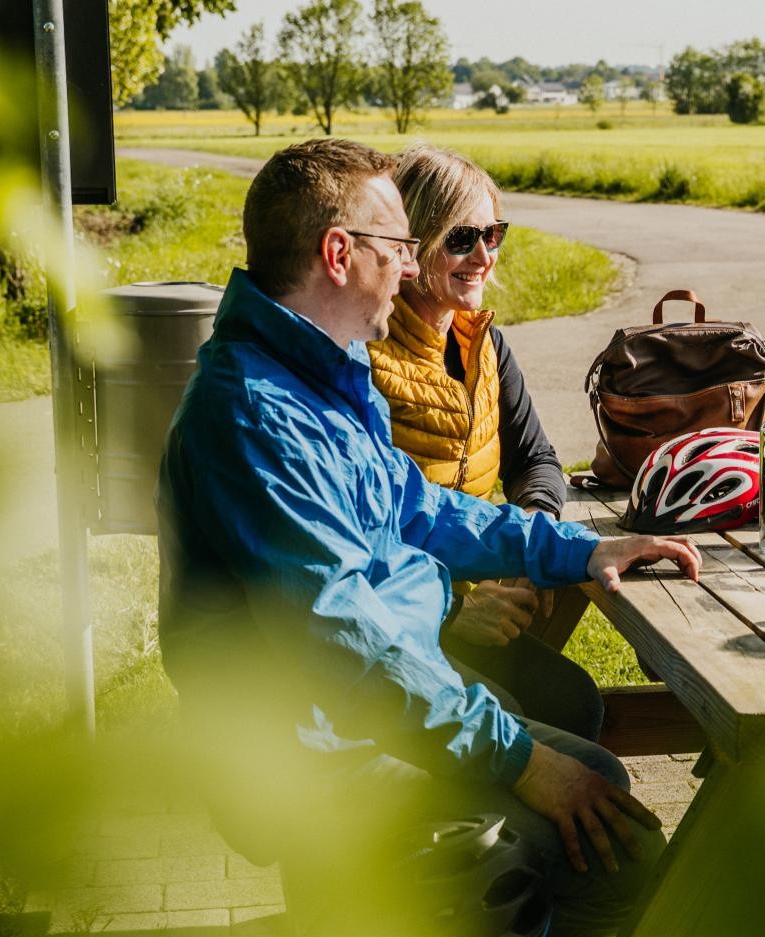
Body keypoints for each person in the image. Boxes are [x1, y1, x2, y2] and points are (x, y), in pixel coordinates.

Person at [155, 138, 695, 935]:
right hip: (315, 746)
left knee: (598, 787)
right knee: (605, 843)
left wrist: (582, 551)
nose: (412, 269)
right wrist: (520, 760)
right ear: (338, 254)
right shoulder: (257, 415)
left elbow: (427, 508)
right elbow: (346, 640)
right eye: (401, 247)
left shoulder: (319, 377)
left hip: (364, 713)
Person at [369, 145, 602, 741]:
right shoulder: (367, 355)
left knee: (575, 702)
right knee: (525, 717)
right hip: (402, 617)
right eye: (462, 238)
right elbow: (370, 526)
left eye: (494, 234)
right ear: (412, 245)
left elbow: (540, 462)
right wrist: (455, 609)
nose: (484, 256)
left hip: (482, 605)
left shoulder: (485, 347)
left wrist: (527, 546)